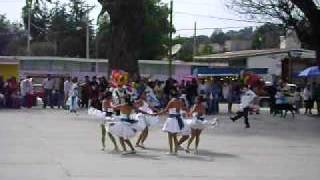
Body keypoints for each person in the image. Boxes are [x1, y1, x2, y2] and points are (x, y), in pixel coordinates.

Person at [156, 90, 189, 155]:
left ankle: (171, 151)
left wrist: (157, 113)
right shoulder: (180, 102)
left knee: (170, 136)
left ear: (171, 95)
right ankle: (175, 151)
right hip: (177, 120)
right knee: (174, 136)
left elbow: (165, 110)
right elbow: (181, 109)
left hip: (171, 120)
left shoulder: (171, 101)